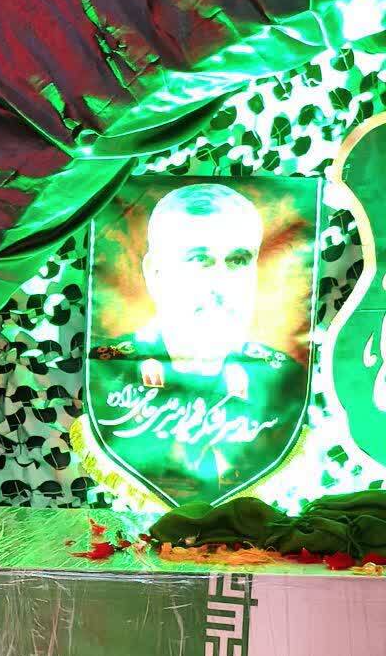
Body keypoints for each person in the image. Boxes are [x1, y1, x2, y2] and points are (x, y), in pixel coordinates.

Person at [88, 182, 306, 502]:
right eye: (199, 260)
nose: (221, 283)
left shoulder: (284, 380)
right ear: (156, 272)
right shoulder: (106, 372)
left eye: (237, 260)